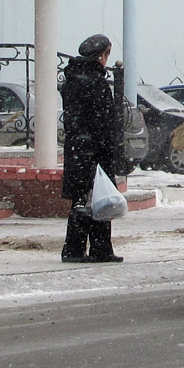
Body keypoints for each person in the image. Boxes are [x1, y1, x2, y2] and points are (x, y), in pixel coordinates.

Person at [60, 34, 123, 263]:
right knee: (96, 199)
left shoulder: (73, 79)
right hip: (94, 148)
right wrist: (108, 149)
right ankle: (85, 249)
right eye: (107, 54)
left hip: (77, 147)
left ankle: (86, 248)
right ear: (101, 56)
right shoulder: (95, 82)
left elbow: (74, 118)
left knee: (84, 198)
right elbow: (103, 121)